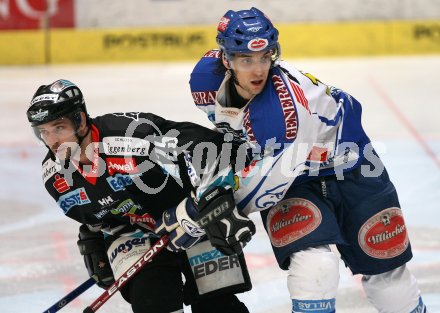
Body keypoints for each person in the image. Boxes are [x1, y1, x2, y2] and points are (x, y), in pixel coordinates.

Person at [188, 7, 428, 313]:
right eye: (246, 60)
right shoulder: (204, 80)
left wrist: (210, 206)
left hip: (355, 166)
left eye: (264, 58)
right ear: (225, 59)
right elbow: (228, 132)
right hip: (297, 177)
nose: (258, 70)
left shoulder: (279, 115)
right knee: (314, 266)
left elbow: (263, 189)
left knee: (387, 277)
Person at [26, 79, 256, 313]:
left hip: (193, 218)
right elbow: (95, 213)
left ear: (81, 121)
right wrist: (93, 237)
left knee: (218, 306)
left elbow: (212, 147)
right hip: (134, 234)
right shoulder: (55, 178)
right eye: (43, 132)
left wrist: (209, 199)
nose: (52, 141)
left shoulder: (131, 135)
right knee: (154, 304)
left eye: (59, 128)